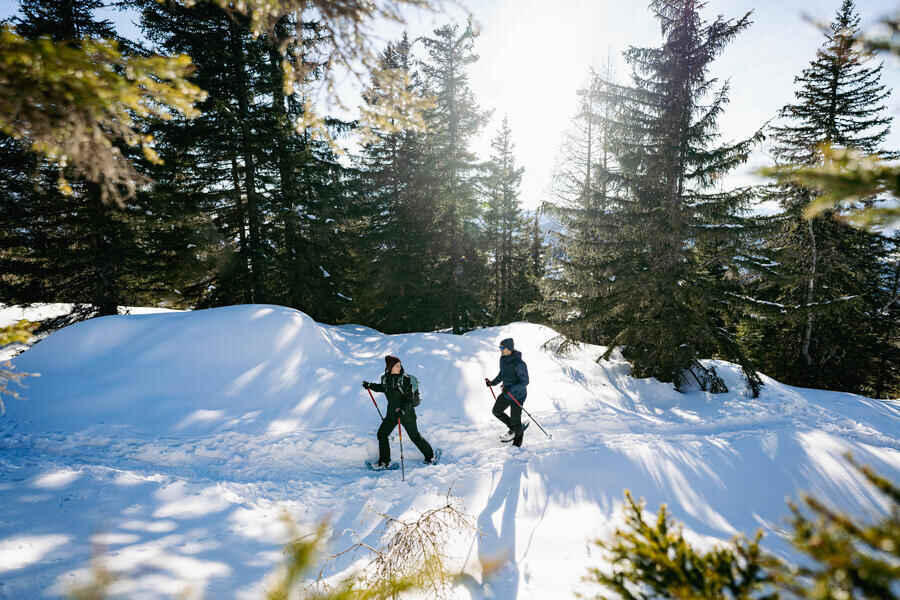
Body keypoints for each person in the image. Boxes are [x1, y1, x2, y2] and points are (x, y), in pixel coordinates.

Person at [363, 355, 436, 468]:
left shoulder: (405, 379)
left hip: (407, 414)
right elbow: (383, 388)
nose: (400, 367)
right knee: (382, 434)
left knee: (415, 437)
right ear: (390, 367)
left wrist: (402, 410)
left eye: (400, 365)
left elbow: (409, 399)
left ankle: (430, 456)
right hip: (392, 414)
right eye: (397, 365)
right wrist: (370, 386)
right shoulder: (386, 378)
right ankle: (384, 462)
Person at [485, 338, 529, 447]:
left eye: (502, 348)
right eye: (500, 347)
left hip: (518, 395)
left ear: (509, 348)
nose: (500, 350)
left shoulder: (519, 363)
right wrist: (492, 383)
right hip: (506, 393)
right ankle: (514, 429)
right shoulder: (503, 359)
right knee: (496, 411)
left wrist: (510, 389)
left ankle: (517, 445)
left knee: (515, 419)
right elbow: (502, 374)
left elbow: (525, 381)